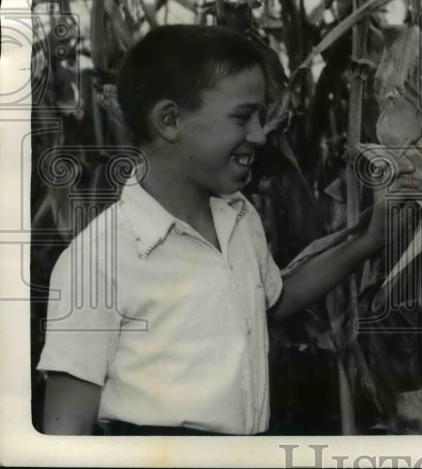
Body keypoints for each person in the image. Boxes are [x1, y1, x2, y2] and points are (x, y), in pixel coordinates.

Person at [38, 25, 390, 435]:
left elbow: (270, 300)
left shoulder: (240, 217)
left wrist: (369, 241)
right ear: (170, 120)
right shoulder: (96, 261)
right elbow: (64, 434)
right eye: (243, 117)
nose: (259, 135)